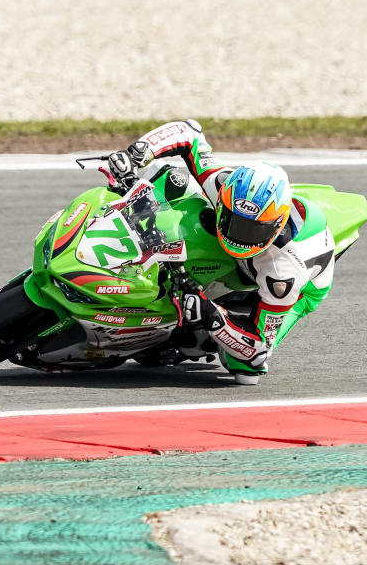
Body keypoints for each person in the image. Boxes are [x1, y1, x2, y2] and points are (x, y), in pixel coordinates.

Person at [108, 120, 335, 384]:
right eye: (232, 220)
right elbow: (189, 132)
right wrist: (137, 154)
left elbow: (256, 353)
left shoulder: (282, 273)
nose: (239, 235)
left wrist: (212, 316)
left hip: (295, 287)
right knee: (166, 177)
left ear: (276, 224)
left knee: (240, 366)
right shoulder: (223, 185)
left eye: (252, 229)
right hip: (245, 260)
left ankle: (194, 327)